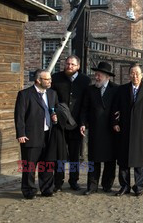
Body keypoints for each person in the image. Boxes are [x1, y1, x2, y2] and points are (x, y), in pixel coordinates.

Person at [112, 63, 143, 197]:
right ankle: (124, 186)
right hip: (125, 129)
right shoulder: (122, 89)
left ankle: (138, 186)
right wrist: (115, 122)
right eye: (132, 73)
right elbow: (115, 108)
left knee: (139, 160)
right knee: (123, 160)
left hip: (141, 130)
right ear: (129, 74)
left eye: (137, 73)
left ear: (142, 75)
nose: (135, 76)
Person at [14, 69, 58, 199]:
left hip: (48, 134)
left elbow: (55, 109)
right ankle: (29, 190)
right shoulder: (25, 94)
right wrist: (21, 133)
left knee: (47, 164)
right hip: (31, 135)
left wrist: (55, 116)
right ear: (38, 80)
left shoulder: (52, 93)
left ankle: (47, 189)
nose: (50, 81)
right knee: (30, 165)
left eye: (50, 79)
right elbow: (19, 116)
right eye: (47, 79)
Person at [51, 55, 91, 192]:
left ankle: (74, 180)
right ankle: (58, 181)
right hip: (60, 124)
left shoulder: (85, 81)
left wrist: (83, 123)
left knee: (74, 155)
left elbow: (86, 104)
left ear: (78, 66)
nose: (69, 66)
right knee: (60, 154)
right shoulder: (56, 78)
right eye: (67, 64)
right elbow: (51, 99)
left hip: (75, 125)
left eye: (73, 64)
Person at [80, 62, 119, 195]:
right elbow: (84, 109)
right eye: (96, 74)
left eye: (99, 75)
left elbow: (120, 109)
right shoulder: (90, 90)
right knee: (93, 159)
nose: (96, 77)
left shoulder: (116, 89)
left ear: (107, 77)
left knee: (110, 160)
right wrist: (83, 123)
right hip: (95, 130)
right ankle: (92, 186)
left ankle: (107, 185)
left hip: (110, 130)